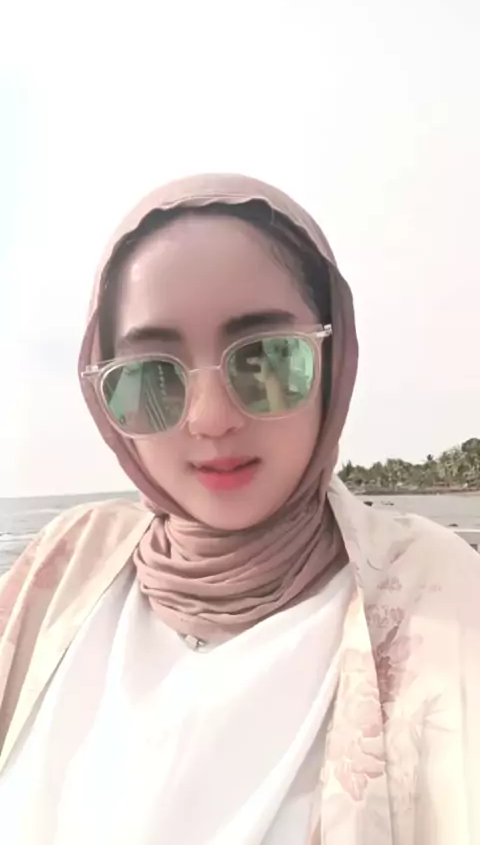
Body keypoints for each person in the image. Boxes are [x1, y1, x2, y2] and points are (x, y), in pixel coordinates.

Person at [0, 174, 478, 845]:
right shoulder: (59, 570)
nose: (211, 418)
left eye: (266, 360)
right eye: (152, 378)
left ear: (333, 360)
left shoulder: (442, 596)